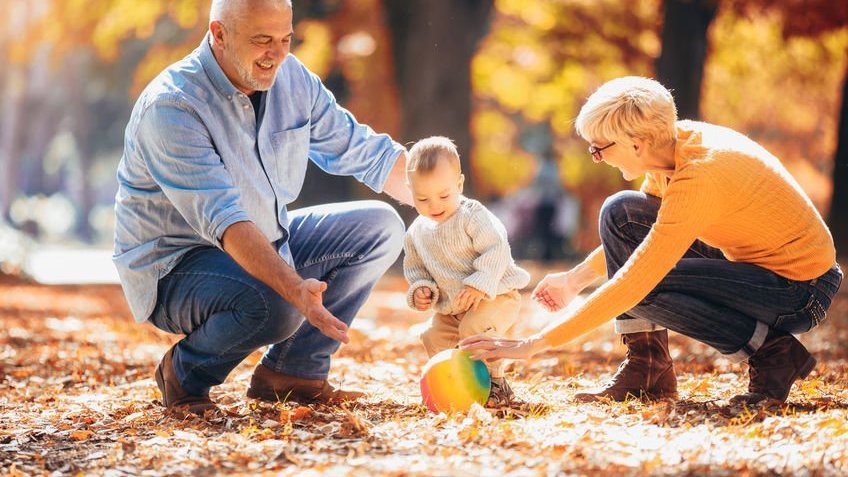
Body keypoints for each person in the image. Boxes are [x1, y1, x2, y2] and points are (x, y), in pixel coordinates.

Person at [462, 76, 842, 405]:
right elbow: (640, 241)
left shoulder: (700, 174)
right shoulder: (670, 151)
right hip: (753, 269)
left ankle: (772, 353)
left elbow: (636, 277)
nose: (596, 158)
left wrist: (535, 344)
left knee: (643, 285)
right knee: (621, 212)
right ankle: (648, 369)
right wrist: (573, 279)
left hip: (800, 290)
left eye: (599, 148)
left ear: (637, 143)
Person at [113, 0, 412, 414]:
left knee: (380, 227)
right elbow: (227, 222)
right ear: (219, 34)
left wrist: (450, 207)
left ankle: (292, 373)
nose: (278, 54)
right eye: (262, 41)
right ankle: (185, 374)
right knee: (279, 302)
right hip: (175, 268)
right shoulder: (173, 106)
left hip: (265, 239)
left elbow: (362, 150)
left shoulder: (292, 79)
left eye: (286, 39)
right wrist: (294, 288)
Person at [403, 137, 530, 406]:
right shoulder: (416, 232)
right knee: (433, 335)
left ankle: (496, 383)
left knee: (474, 331)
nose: (434, 205)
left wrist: (478, 284)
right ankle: (452, 381)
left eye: (444, 195)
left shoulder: (472, 215)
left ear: (459, 185)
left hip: (495, 296)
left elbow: (497, 249)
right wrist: (421, 290)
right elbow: (416, 269)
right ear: (410, 191)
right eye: (422, 198)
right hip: (452, 308)